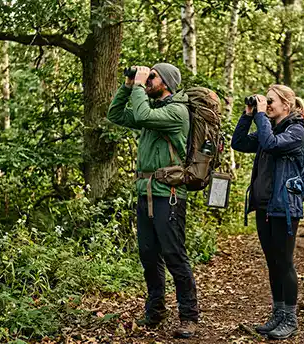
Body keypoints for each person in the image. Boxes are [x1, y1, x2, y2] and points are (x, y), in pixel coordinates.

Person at [106, 63, 198, 339]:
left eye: (152, 76)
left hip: (168, 195)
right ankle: (155, 310)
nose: (147, 80)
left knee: (173, 254)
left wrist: (137, 87)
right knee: (148, 254)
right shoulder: (153, 110)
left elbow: (142, 114)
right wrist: (127, 86)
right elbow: (115, 114)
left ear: (166, 82)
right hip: (145, 193)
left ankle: (189, 316)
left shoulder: (176, 111)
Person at [231, 85, 304, 340]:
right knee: (272, 262)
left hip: (285, 207)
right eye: (267, 101)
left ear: (287, 105)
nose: (268, 104)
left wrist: (261, 117)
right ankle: (277, 312)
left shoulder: (297, 130)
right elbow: (239, 142)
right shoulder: (269, 129)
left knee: (284, 262)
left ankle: (290, 317)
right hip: (264, 207)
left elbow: (271, 144)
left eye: (271, 101)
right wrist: (249, 114)